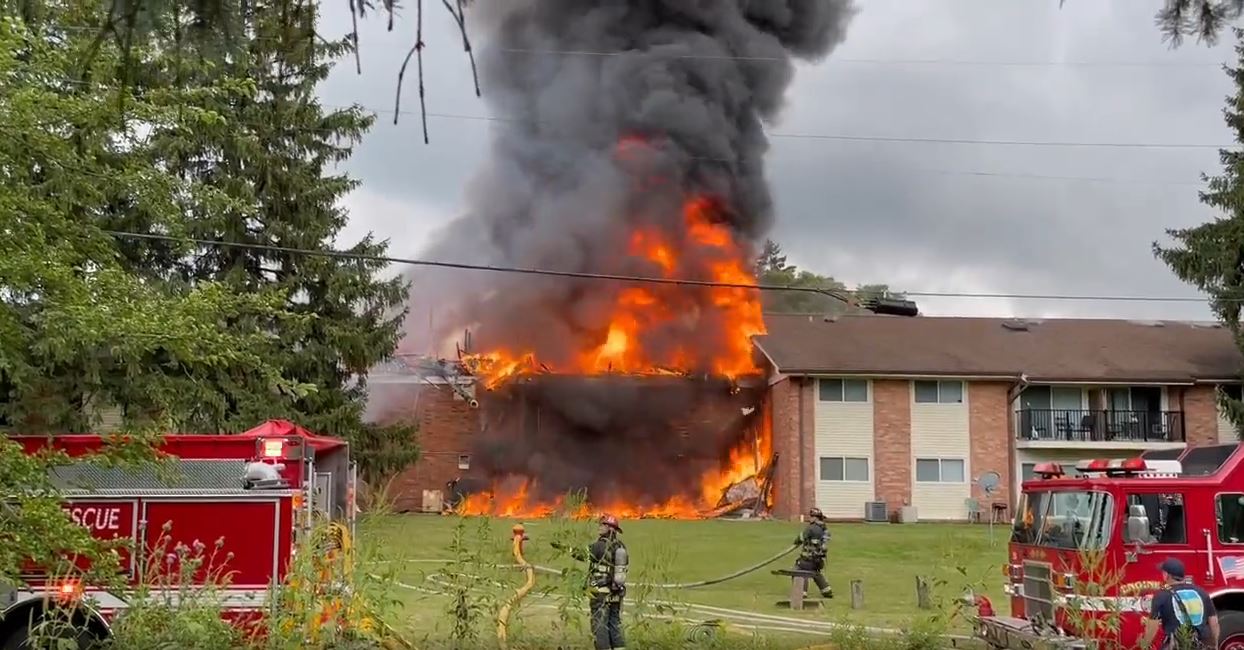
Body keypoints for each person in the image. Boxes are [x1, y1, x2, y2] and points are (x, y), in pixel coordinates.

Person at [552, 514, 629, 650]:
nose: (600, 527)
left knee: (599, 625)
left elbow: (581, 554)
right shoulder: (620, 547)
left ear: (610, 529)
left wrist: (565, 548)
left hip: (600, 592)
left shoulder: (599, 546)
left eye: (603, 525)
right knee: (614, 623)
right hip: (616, 592)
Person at [1142, 558, 1218, 649]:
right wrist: (1215, 644)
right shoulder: (1201, 592)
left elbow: (1152, 627)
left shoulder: (1161, 595)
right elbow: (1213, 621)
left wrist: (1144, 644)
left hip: (1177, 645)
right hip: (1202, 644)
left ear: (1166, 575)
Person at [793, 507, 833, 599]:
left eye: (811, 516)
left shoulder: (811, 528)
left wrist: (796, 542)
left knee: (799, 570)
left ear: (815, 518)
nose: (810, 518)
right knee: (815, 572)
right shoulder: (824, 529)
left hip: (808, 559)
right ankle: (827, 591)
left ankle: (802, 592)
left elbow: (799, 539)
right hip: (818, 560)